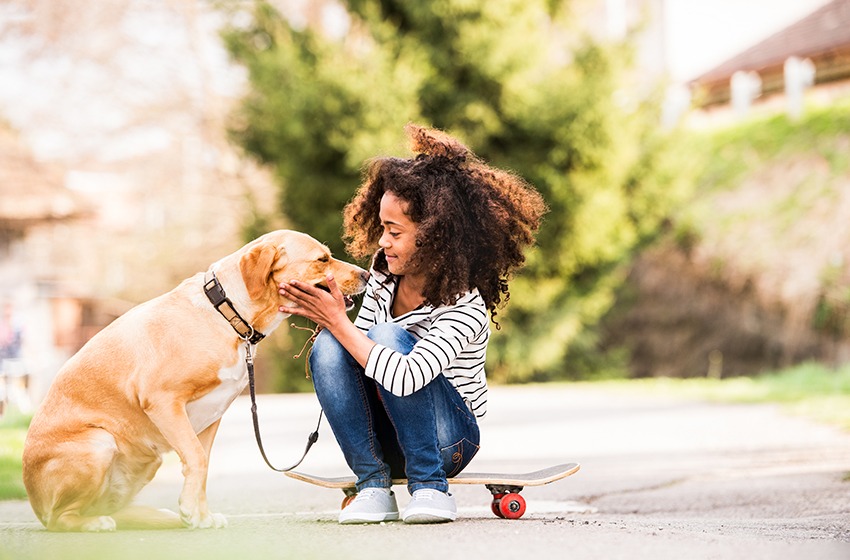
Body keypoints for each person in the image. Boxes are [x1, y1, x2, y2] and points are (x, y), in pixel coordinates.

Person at [279, 124, 546, 524]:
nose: (382, 241)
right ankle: (372, 485)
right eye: (381, 228)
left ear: (436, 236)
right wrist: (330, 320)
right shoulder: (384, 276)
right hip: (387, 435)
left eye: (394, 231)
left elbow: (406, 376)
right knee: (331, 347)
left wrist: (338, 322)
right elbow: (359, 351)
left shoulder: (465, 305)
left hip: (448, 441)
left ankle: (431, 488)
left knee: (386, 336)